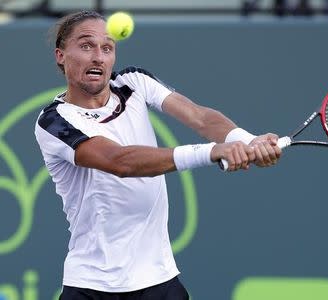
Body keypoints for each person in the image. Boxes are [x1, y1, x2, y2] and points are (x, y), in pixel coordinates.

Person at [34, 10, 281, 300]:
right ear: (61, 55)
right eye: (86, 46)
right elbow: (120, 162)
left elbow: (200, 117)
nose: (98, 57)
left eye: (107, 47)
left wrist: (247, 141)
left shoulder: (133, 82)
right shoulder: (54, 121)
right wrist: (212, 152)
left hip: (159, 281)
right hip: (92, 287)